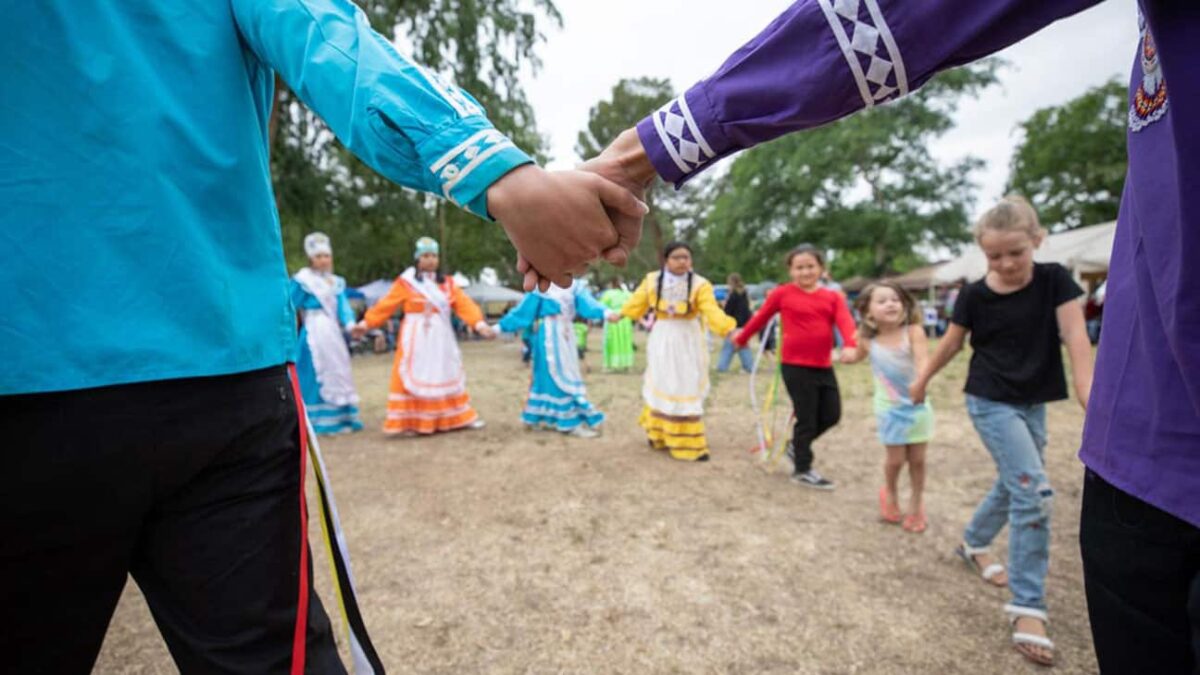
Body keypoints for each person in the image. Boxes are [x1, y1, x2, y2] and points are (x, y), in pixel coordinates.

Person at [3, 0, 650, 669]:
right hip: (202, 358)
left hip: (114, 362)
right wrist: (493, 169)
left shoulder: (425, 285)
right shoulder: (383, 284)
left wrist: (502, 199)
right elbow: (327, 37)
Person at [583, 4, 1198, 670]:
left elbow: (769, 314)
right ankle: (801, 463)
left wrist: (749, 325)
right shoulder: (793, 294)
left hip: (1117, 433)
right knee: (1032, 491)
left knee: (923, 446)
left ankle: (908, 505)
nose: (806, 273)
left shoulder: (805, 293)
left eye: (812, 266)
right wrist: (670, 301)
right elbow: (898, 16)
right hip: (1148, 442)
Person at [909, 197, 1093, 666]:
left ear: (1037, 240)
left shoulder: (1054, 280)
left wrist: (1087, 389)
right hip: (989, 399)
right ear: (982, 253)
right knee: (1034, 491)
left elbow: (1075, 335)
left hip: (1034, 400)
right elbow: (951, 343)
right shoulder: (974, 295)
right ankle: (1028, 605)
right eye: (995, 256)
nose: (1007, 264)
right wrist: (923, 377)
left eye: (1017, 252)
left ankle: (973, 541)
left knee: (1018, 482)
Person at [734, 245, 857, 490]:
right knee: (807, 418)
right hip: (794, 366)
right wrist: (742, 337)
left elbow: (845, 322)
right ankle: (803, 468)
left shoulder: (833, 297)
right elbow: (761, 318)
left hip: (823, 364)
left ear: (822, 269)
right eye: (799, 267)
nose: (805, 271)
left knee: (832, 414)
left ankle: (796, 446)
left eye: (810, 266)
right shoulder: (782, 294)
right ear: (791, 271)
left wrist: (850, 345)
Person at [352, 238, 495, 436]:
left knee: (444, 370)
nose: (430, 260)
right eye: (426, 256)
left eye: (434, 256)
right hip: (416, 334)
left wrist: (479, 324)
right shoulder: (406, 282)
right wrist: (366, 323)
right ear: (418, 259)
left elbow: (463, 304)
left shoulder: (447, 283)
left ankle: (454, 417)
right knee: (414, 371)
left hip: (441, 335)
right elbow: (386, 304)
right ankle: (413, 421)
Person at [621, 242, 736, 462]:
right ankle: (658, 434)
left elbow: (711, 310)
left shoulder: (700, 284)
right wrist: (620, 314)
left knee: (685, 384)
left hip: (688, 339)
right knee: (663, 383)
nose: (682, 261)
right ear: (666, 260)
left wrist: (727, 329)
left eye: (686, 257)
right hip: (663, 337)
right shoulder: (652, 280)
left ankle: (689, 444)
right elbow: (637, 302)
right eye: (677, 257)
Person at [844, 282, 933, 533]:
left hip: (918, 404)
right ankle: (891, 493)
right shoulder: (867, 340)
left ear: (904, 305)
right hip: (889, 409)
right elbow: (857, 355)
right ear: (868, 312)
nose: (891, 304)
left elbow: (922, 360)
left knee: (917, 459)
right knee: (895, 460)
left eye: (895, 299)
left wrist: (921, 381)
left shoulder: (914, 332)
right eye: (882, 301)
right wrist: (847, 356)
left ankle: (916, 502)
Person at [497, 281, 615, 438]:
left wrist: (605, 313)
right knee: (552, 375)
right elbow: (524, 312)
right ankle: (567, 421)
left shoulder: (574, 285)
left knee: (564, 373)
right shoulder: (541, 287)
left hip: (566, 333)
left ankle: (536, 418)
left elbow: (587, 303)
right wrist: (499, 327)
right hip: (548, 336)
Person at [290, 232, 365, 436]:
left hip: (332, 333)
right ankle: (315, 419)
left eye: (326, 256)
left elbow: (344, 308)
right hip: (313, 333)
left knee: (338, 369)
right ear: (311, 259)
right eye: (319, 256)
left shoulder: (336, 282)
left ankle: (341, 417)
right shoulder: (303, 281)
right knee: (313, 373)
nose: (323, 260)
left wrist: (351, 325)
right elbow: (288, 305)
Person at [717, 273, 755, 373]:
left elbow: (728, 311)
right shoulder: (744, 293)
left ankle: (722, 366)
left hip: (733, 324)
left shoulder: (733, 295)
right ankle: (749, 366)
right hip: (744, 324)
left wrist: (722, 306)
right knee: (742, 346)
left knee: (728, 346)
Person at [599, 280, 637, 371]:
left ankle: (611, 365)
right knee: (625, 342)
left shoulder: (608, 294)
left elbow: (601, 305)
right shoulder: (627, 294)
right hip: (625, 319)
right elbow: (633, 303)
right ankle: (626, 364)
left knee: (612, 342)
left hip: (613, 318)